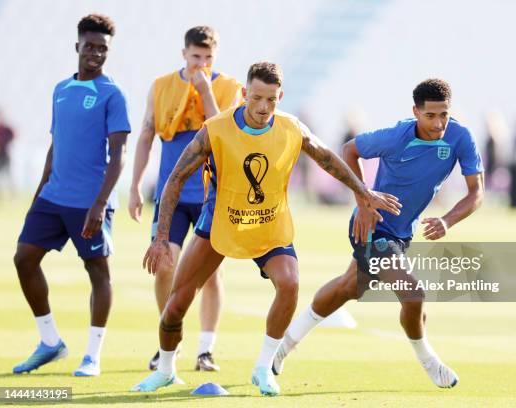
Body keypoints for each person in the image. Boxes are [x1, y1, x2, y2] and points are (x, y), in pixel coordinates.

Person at [131, 62, 401, 395]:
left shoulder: (291, 128)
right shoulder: (215, 129)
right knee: (175, 308)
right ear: (244, 94)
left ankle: (263, 368)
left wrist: (363, 192)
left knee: (290, 283)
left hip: (269, 226)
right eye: (256, 98)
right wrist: (160, 238)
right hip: (220, 225)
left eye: (271, 100)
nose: (263, 107)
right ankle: (167, 369)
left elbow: (327, 158)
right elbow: (174, 179)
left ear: (280, 96)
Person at [272, 78, 484, 390]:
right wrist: (364, 200)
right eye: (430, 116)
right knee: (413, 295)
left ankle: (284, 345)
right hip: (371, 227)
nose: (439, 123)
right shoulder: (396, 136)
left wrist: (448, 221)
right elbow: (349, 150)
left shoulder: (460, 137)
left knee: (348, 288)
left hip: (401, 233)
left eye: (444, 115)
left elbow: (476, 193)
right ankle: (429, 362)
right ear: (415, 112)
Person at [12, 14, 130, 377]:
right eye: (90, 46)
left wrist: (99, 203)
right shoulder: (60, 89)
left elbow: (119, 153)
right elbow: (55, 145)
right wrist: (38, 194)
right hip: (53, 196)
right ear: (76, 45)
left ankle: (92, 355)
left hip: (89, 201)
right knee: (24, 259)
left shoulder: (112, 94)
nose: (95, 53)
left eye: (103, 49)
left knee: (98, 272)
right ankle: (50, 342)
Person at [128, 25, 241, 372]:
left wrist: (205, 89)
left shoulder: (229, 88)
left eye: (208, 58)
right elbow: (147, 134)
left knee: (210, 275)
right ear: (184, 54)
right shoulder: (162, 86)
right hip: (171, 195)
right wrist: (134, 186)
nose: (201, 64)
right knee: (164, 266)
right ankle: (169, 342)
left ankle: (205, 350)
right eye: (195, 57)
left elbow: (220, 127)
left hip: (212, 195)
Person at [0, 107, 16, 195]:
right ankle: (0, 192)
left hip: (6, 153)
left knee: (8, 173)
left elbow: (13, 135)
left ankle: (12, 192)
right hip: (0, 154)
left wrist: (7, 142)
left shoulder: (6, 129)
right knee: (0, 173)